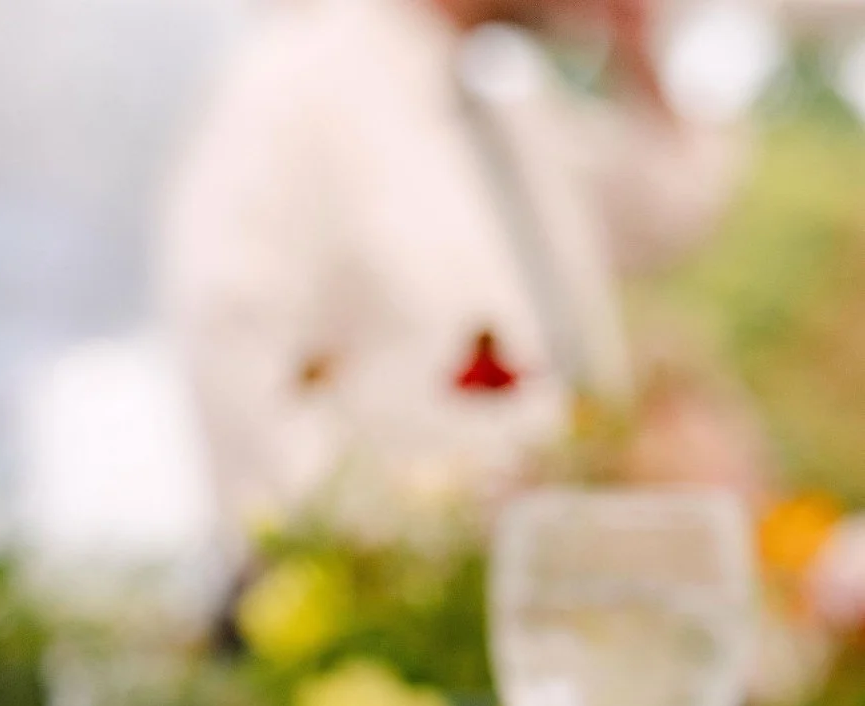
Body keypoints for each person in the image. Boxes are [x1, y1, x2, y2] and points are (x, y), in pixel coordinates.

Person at [163, 0, 744, 541]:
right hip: (393, 616)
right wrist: (367, 570)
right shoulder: (294, 89)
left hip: (534, 591)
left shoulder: (507, 104)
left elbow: (664, 215)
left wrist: (636, 46)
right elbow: (235, 358)